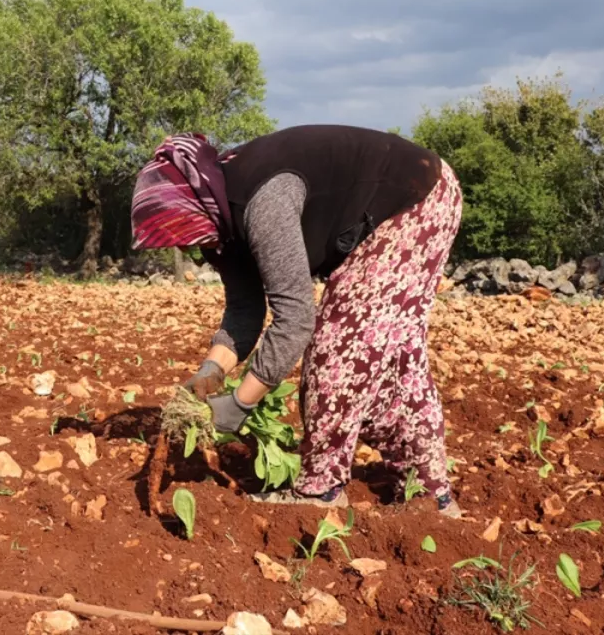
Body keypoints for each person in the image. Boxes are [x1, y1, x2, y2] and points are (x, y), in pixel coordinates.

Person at [130, 126, 464, 518]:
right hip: (415, 196)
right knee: (389, 361)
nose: (185, 248)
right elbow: (244, 310)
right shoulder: (220, 221)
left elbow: (295, 318)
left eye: (182, 235)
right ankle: (432, 496)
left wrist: (240, 403)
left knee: (337, 352)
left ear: (194, 208)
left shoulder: (262, 204)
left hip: (416, 198)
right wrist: (211, 370)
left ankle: (321, 493)